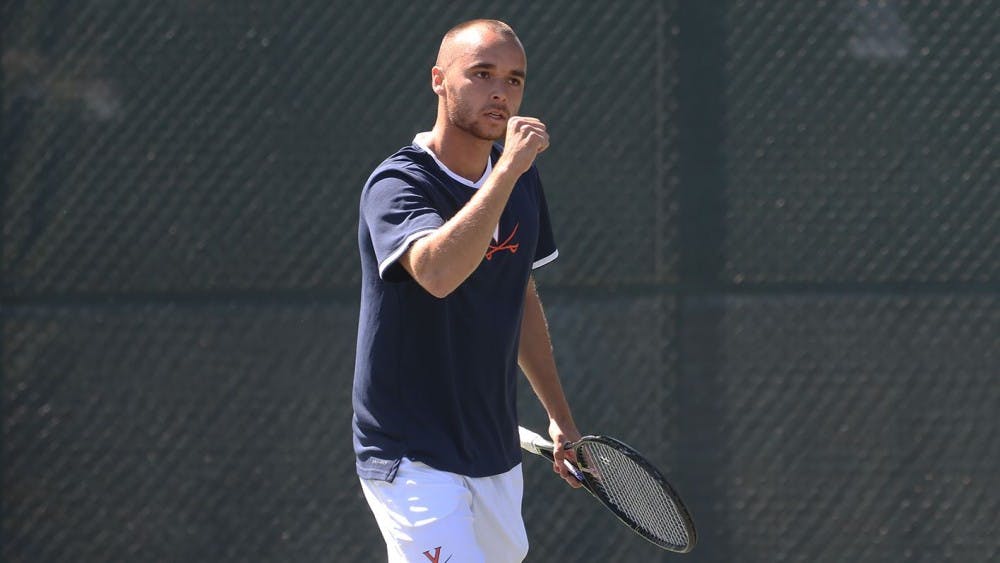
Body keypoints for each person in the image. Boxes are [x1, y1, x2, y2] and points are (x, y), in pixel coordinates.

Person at [353, 19, 581, 562]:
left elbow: (517, 292)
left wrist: (561, 417)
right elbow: (437, 273)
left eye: (514, 80)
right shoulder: (398, 184)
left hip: (493, 453)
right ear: (439, 79)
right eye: (482, 74)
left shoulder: (519, 177)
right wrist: (505, 173)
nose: (500, 92)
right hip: (409, 457)